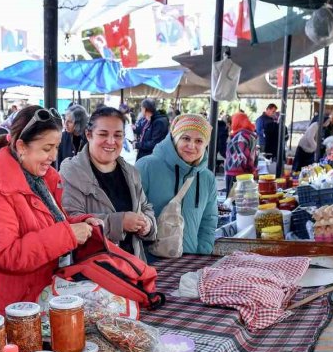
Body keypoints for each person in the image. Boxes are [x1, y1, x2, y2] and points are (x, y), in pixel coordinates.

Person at [0, 105, 101, 312]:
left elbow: (48, 223)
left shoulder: (40, 178)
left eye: (56, 147)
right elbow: (7, 254)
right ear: (22, 146)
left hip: (38, 295)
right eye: (46, 148)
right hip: (14, 306)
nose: (53, 156)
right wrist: (68, 235)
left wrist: (80, 224)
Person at [61, 107, 157, 261]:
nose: (111, 141)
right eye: (103, 134)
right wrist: (120, 222)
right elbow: (72, 221)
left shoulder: (131, 172)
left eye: (118, 135)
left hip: (134, 268)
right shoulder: (71, 172)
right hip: (93, 273)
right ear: (89, 134)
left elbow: (145, 208)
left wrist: (147, 224)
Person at [136, 114, 218, 255]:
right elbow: (132, 213)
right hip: (148, 263)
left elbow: (209, 221)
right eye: (185, 138)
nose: (191, 146)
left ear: (205, 145)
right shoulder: (146, 167)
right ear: (174, 138)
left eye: (199, 141)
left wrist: (201, 253)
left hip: (191, 262)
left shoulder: (207, 178)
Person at [225, 112, 257, 195]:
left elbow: (242, 156)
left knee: (234, 203)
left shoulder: (241, 136)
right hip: (243, 173)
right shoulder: (249, 135)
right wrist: (252, 170)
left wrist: (250, 170)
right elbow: (252, 156)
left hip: (236, 174)